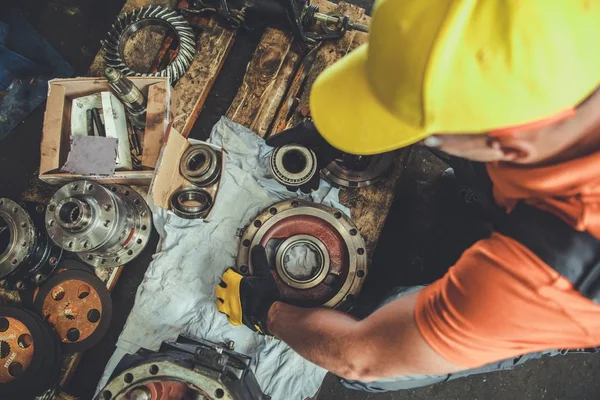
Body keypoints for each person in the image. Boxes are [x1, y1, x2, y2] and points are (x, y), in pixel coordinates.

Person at [216, 0, 600, 392]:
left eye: (421, 128)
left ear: (509, 147)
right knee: (463, 162)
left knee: (375, 367)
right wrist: (345, 129)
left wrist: (268, 311)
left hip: (570, 303)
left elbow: (359, 356)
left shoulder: (547, 278)